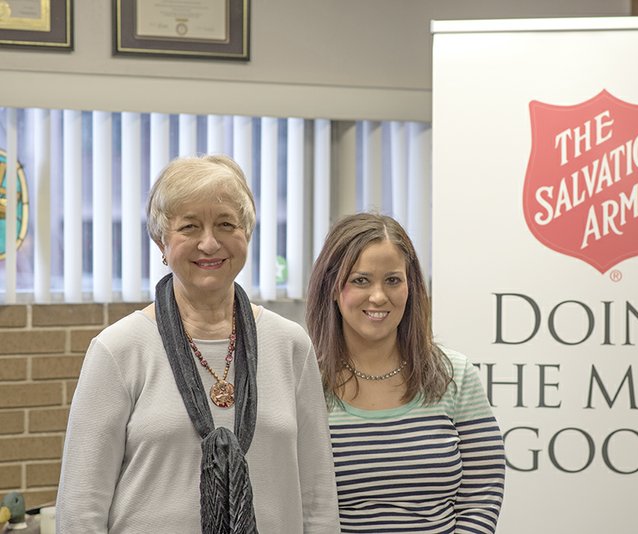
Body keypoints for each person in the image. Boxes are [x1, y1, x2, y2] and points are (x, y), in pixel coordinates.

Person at [56, 154, 340, 533]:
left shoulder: (290, 346)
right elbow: (80, 508)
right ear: (162, 240)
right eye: (189, 227)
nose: (209, 242)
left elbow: (318, 500)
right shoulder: (119, 350)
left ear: (246, 235)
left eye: (226, 224)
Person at [305, 212, 505, 533]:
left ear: (410, 287)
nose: (379, 296)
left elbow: (482, 493)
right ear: (331, 288)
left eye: (393, 280)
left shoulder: (454, 374)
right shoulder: (304, 382)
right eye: (361, 280)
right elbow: (295, 504)